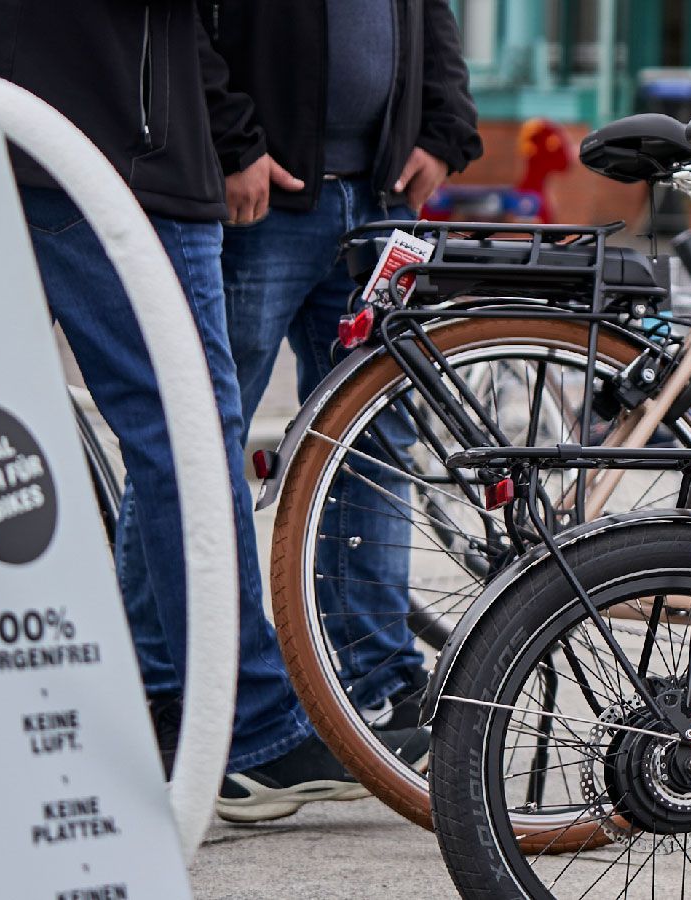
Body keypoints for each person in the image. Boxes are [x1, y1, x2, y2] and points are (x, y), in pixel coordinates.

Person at [0, 0, 422, 824]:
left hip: (34, 124)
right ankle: (250, 724)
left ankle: (177, 704)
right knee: (185, 440)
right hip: (115, 139)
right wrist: (236, 138)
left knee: (17, 430)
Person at [208, 0, 482, 744]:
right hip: (259, 201)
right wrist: (230, 142)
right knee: (197, 443)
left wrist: (444, 130)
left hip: (380, 203)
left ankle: (375, 683)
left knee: (377, 444)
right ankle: (194, 693)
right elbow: (185, 32)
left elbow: (429, 15)